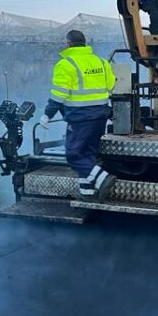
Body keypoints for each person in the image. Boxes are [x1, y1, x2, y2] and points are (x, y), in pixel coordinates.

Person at [40, 30, 116, 201]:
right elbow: (111, 85)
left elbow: (58, 95)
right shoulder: (101, 62)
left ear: (68, 44)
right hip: (101, 116)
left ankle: (103, 178)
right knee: (88, 154)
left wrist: (47, 115)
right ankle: (88, 193)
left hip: (80, 118)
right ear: (85, 43)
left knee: (73, 155)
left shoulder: (65, 64)